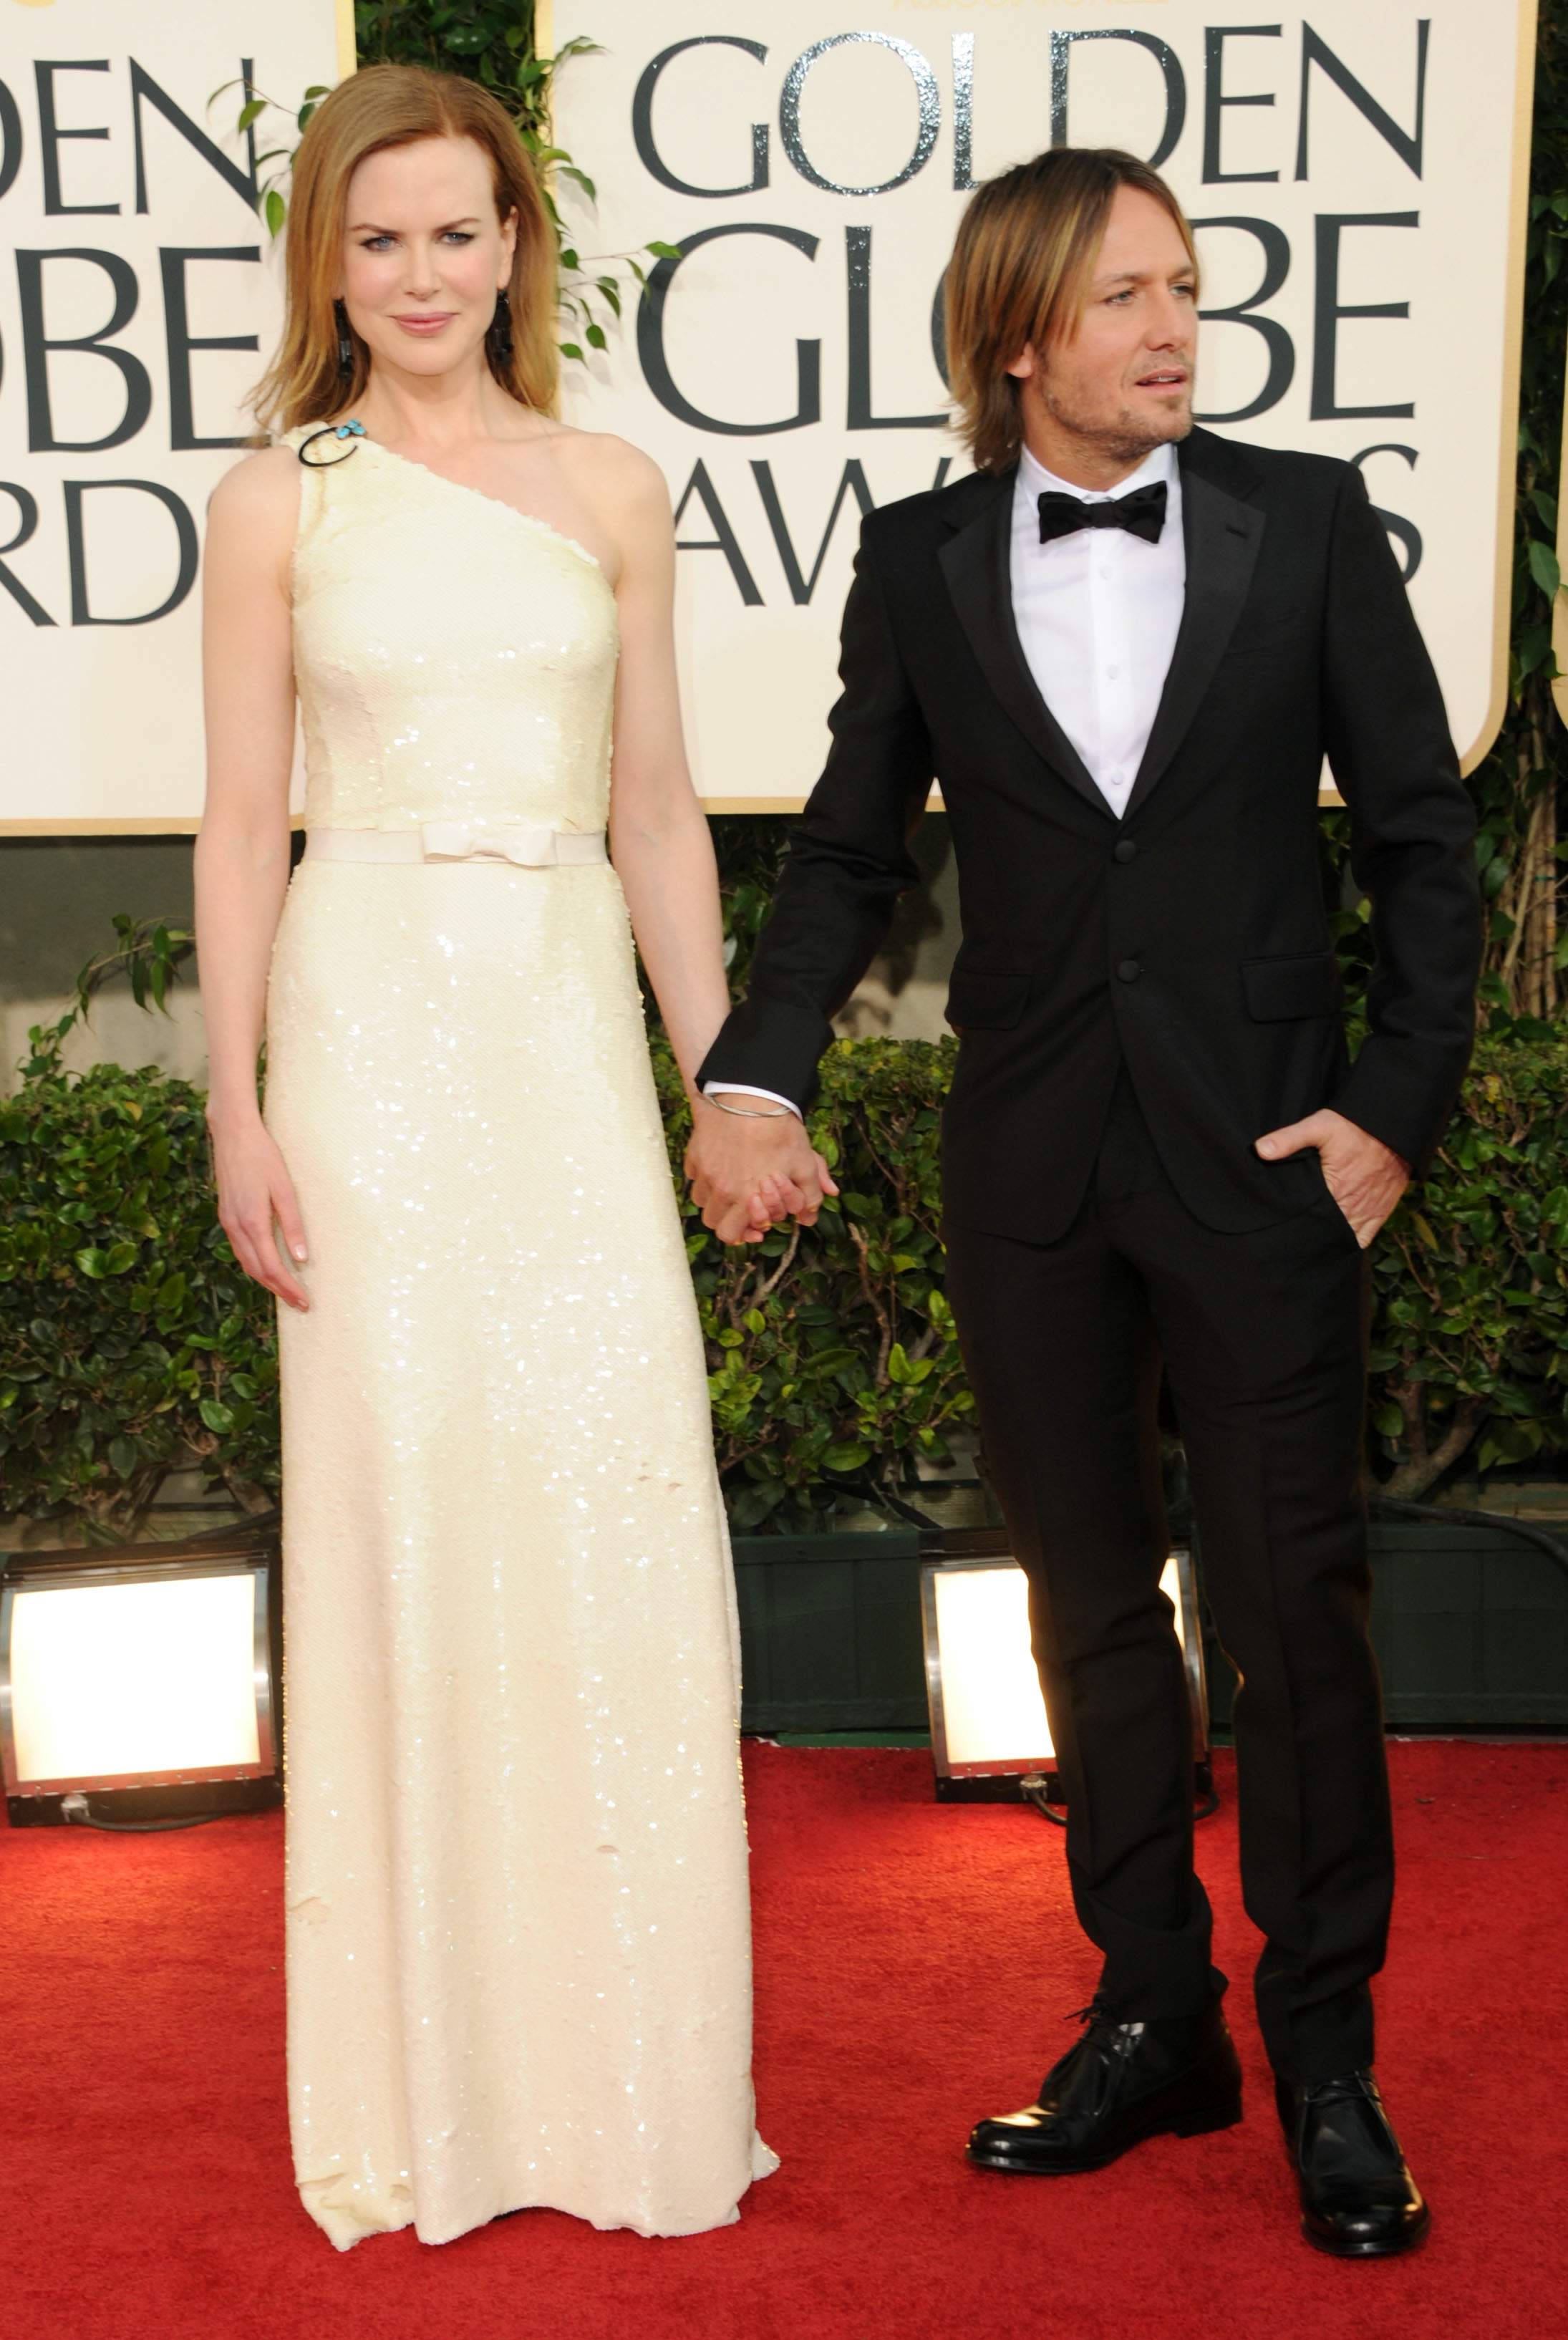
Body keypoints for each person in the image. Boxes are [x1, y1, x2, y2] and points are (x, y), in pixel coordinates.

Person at [689, 147, 1480, 2258]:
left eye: (1187, 290)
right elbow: (851, 848)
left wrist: (1393, 1110)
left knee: (1295, 1614)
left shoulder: (1307, 520)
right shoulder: (925, 557)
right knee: (1087, 1609)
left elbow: (1424, 836)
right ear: (1020, 333)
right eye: (1127, 295)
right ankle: (1154, 2013)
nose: (1174, 330)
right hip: (1031, 1159)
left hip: (1269, 1159)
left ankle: (1326, 2056)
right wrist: (758, 1064)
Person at [195, 62, 780, 2250]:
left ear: (518, 242)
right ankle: (429, 2096)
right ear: (327, 264)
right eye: (381, 240)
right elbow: (240, 820)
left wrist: (729, 1077)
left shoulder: (613, 486)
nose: (423, 275)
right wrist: (236, 1095)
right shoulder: (283, 502)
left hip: (557, 1029)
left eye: (458, 231)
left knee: (613, 1496)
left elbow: (658, 808)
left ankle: (630, 2091)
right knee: (406, 1504)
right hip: (365, 1029)